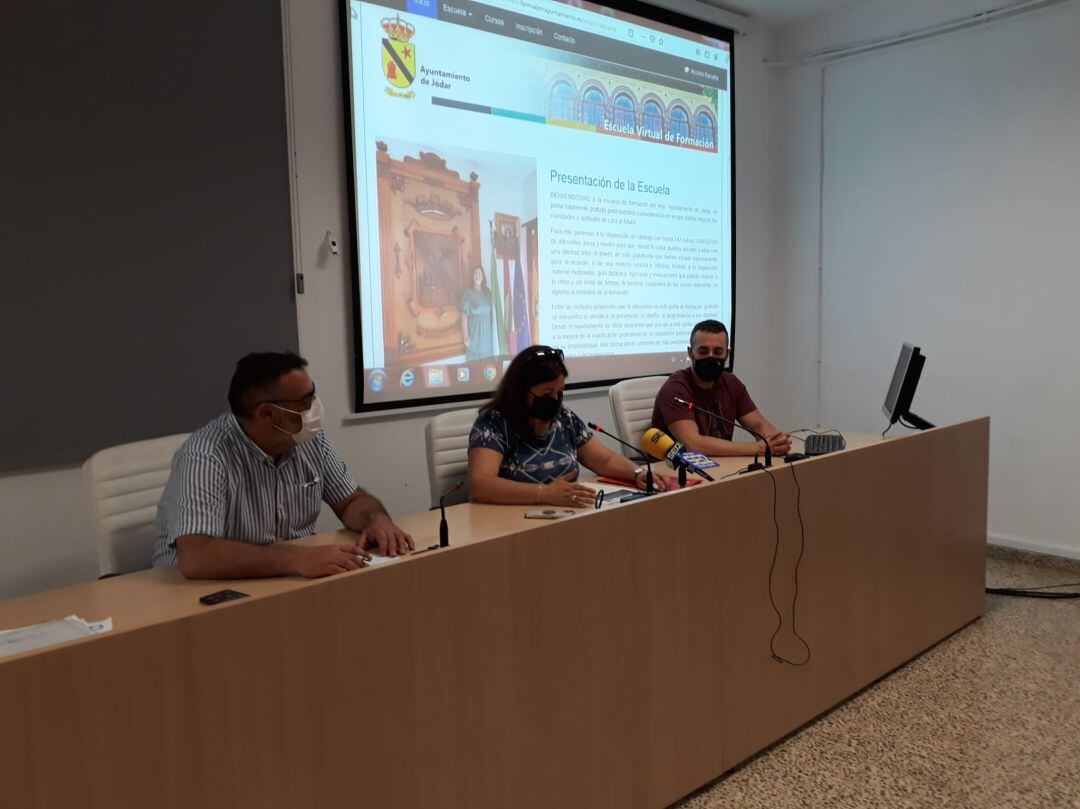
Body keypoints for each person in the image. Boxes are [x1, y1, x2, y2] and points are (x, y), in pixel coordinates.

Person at [153, 351, 414, 579]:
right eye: (305, 401)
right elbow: (198, 556)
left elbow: (351, 501)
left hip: (282, 581)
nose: (315, 408)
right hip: (200, 595)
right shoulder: (204, 456)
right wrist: (297, 559)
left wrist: (376, 519)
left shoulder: (309, 440)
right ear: (267, 413)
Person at [468, 345, 666, 505]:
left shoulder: (564, 418)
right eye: (547, 393)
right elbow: (481, 485)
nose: (555, 399)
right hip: (510, 523)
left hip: (564, 516)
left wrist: (637, 473)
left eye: (560, 391)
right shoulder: (493, 423)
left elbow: (604, 460)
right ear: (521, 392)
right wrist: (543, 493)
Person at [652, 320, 791, 458]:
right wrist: (758, 448)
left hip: (721, 465)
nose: (710, 357)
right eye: (703, 351)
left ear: (727, 354)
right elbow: (693, 444)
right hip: (677, 471)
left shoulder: (731, 383)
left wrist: (777, 442)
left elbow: (759, 426)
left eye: (718, 352)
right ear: (690, 352)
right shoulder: (675, 389)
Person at [461, 265, 494, 360]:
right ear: (472, 276)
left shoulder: (488, 293)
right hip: (474, 334)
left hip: (487, 337)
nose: (477, 275)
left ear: (483, 276)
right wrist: (466, 336)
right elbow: (464, 316)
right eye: (475, 273)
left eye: (479, 273)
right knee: (474, 368)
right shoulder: (468, 293)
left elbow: (492, 315)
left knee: (488, 370)